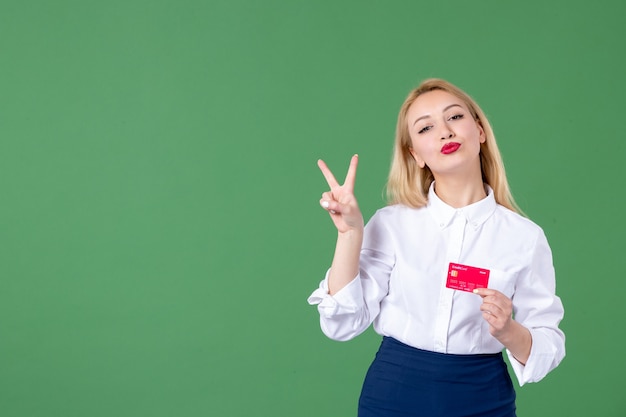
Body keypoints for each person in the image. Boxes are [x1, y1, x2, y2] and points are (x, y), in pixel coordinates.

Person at [307, 78, 565, 417]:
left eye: (455, 117)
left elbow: (549, 342)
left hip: (483, 397)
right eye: (425, 127)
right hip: (393, 395)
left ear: (480, 131)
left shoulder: (524, 237)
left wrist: (509, 330)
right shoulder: (391, 224)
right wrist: (350, 233)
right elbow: (342, 323)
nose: (444, 132)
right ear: (415, 154)